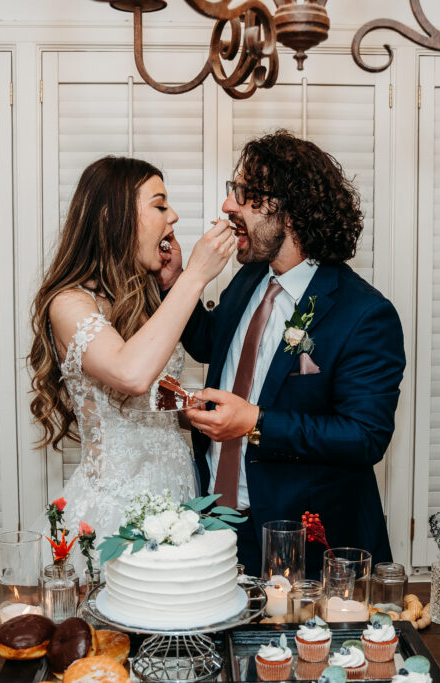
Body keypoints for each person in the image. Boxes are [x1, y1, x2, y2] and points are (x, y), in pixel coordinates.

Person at [165, 130, 406, 577]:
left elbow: (364, 435)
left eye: (244, 194)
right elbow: (212, 343)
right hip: (216, 514)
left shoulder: (365, 314)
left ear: (288, 210)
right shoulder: (249, 276)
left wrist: (254, 422)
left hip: (299, 534)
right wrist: (176, 280)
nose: (228, 206)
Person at [28, 156, 236, 571]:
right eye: (160, 205)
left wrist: (186, 406)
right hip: (115, 513)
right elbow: (130, 374)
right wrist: (195, 277)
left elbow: (150, 396)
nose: (173, 216)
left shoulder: (145, 296)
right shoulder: (70, 303)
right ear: (112, 217)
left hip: (177, 497)